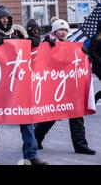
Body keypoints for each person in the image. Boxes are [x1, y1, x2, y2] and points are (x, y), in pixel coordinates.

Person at [0, 5, 48, 165]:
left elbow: (30, 49)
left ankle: (31, 154)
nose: (5, 20)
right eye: (2, 17)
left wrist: (36, 42)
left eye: (7, 17)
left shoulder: (17, 35)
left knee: (27, 119)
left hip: (18, 84)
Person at [35, 19, 96, 155]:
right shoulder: (47, 42)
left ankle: (81, 145)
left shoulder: (70, 45)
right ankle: (36, 139)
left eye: (65, 30)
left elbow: (77, 63)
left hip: (70, 86)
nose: (63, 32)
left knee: (77, 114)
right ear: (54, 31)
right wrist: (46, 46)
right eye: (61, 30)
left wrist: (84, 55)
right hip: (53, 86)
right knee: (50, 117)